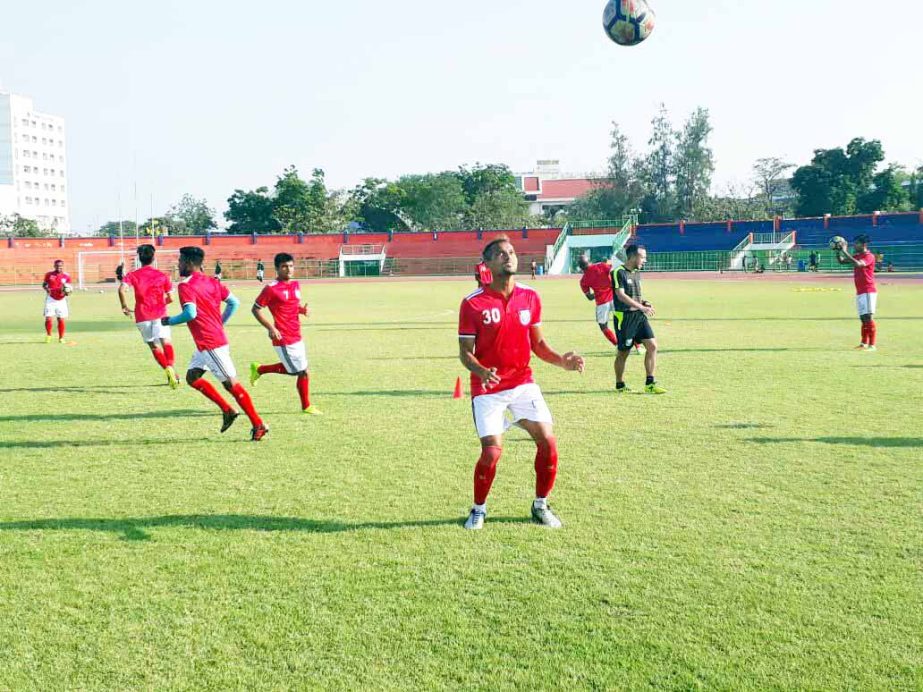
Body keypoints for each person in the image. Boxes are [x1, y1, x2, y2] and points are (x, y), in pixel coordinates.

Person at [458, 236, 585, 531]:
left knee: (548, 443)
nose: (508, 257)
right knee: (491, 453)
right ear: (487, 263)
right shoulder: (473, 304)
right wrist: (480, 370)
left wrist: (561, 361)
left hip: (523, 384)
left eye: (512, 252)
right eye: (500, 254)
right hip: (488, 389)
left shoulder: (530, 297)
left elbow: (538, 344)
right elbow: (465, 353)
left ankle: (540, 505)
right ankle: (479, 509)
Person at [162, 246, 268, 440]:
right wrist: (220, 322)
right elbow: (234, 303)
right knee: (192, 377)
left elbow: (190, 314)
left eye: (180, 261)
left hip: (210, 343)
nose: (178, 265)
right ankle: (227, 410)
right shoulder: (212, 281)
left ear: (188, 263)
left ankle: (258, 424)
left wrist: (169, 320)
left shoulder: (185, 285)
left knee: (231, 384)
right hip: (208, 342)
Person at [249, 253, 322, 415]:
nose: (288, 269)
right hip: (283, 337)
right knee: (301, 371)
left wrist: (302, 310)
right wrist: (270, 327)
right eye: (284, 266)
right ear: (277, 269)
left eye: (290, 266)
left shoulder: (296, 284)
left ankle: (260, 369)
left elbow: (291, 306)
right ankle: (306, 406)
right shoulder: (271, 288)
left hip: (297, 334)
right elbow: (255, 309)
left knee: (298, 370)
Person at [117, 244, 180, 388]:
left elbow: (121, 290)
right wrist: (160, 303)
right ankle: (170, 367)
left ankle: (168, 371)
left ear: (140, 258)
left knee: (153, 346)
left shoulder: (132, 275)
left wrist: (124, 306)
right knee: (166, 342)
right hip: (160, 314)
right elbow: (171, 298)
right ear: (153, 257)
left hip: (142, 315)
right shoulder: (162, 276)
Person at [611, 245, 665, 394]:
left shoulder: (636, 273)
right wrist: (641, 307)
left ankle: (650, 383)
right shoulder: (618, 272)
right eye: (643, 257)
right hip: (625, 317)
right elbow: (621, 295)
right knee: (623, 353)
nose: (645, 260)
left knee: (652, 346)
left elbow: (636, 295)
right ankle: (620, 384)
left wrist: (644, 303)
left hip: (639, 317)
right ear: (633, 257)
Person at [835, 234, 878, 351]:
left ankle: (872, 345)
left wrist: (844, 251)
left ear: (863, 245)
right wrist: (837, 251)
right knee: (863, 318)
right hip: (860, 291)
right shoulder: (858, 255)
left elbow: (859, 264)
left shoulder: (869, 256)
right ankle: (864, 343)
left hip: (868, 290)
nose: (854, 245)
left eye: (857, 243)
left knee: (868, 317)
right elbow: (841, 262)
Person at [577, 255, 619, 348]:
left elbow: (589, 297)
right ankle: (638, 345)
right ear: (590, 261)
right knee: (624, 321)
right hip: (615, 298)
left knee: (603, 326)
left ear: (580, 267)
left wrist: (598, 292)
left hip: (602, 303)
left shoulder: (583, 280)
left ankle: (617, 344)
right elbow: (614, 272)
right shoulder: (602, 265)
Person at [42, 259, 71, 343]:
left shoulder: (66, 276)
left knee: (61, 319)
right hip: (50, 299)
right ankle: (48, 336)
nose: (59, 267)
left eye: (60, 266)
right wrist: (46, 289)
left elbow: (69, 289)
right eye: (57, 266)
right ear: (54, 266)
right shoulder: (49, 275)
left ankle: (61, 338)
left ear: (63, 266)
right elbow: (44, 284)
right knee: (48, 318)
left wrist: (67, 293)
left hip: (61, 300)